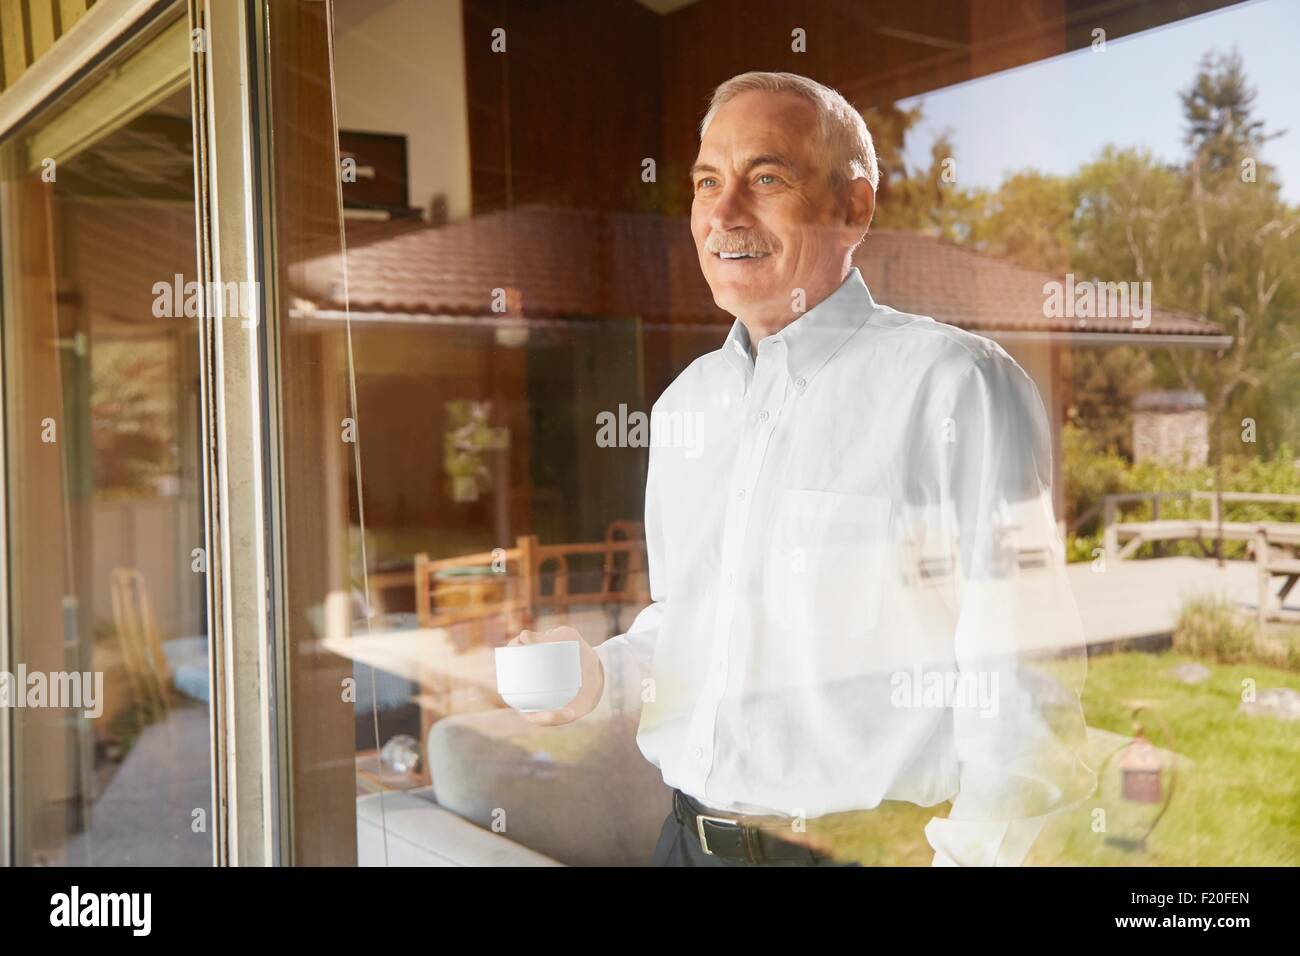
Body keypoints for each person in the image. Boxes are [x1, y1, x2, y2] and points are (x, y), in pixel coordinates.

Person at [510, 70, 1096, 867]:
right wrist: (599, 677)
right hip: (684, 843)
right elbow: (696, 621)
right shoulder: (686, 406)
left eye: (767, 178)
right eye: (707, 182)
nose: (723, 213)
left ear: (853, 208)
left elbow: (1026, 681)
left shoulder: (956, 387)